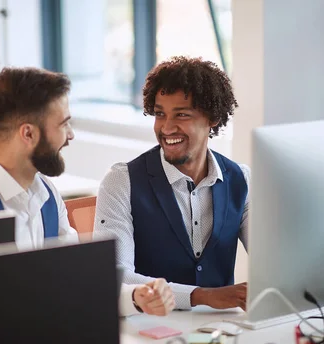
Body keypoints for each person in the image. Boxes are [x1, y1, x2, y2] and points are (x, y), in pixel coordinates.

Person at [0, 67, 174, 317]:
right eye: (64, 124)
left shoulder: (48, 195)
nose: (71, 135)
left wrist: (135, 297)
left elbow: (74, 281)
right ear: (28, 133)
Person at [94, 56, 250, 311]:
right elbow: (116, 276)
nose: (167, 128)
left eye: (182, 115)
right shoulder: (122, 182)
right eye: (159, 114)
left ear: (211, 118)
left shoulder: (240, 179)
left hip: (223, 329)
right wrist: (202, 295)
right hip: (150, 330)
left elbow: (271, 259)